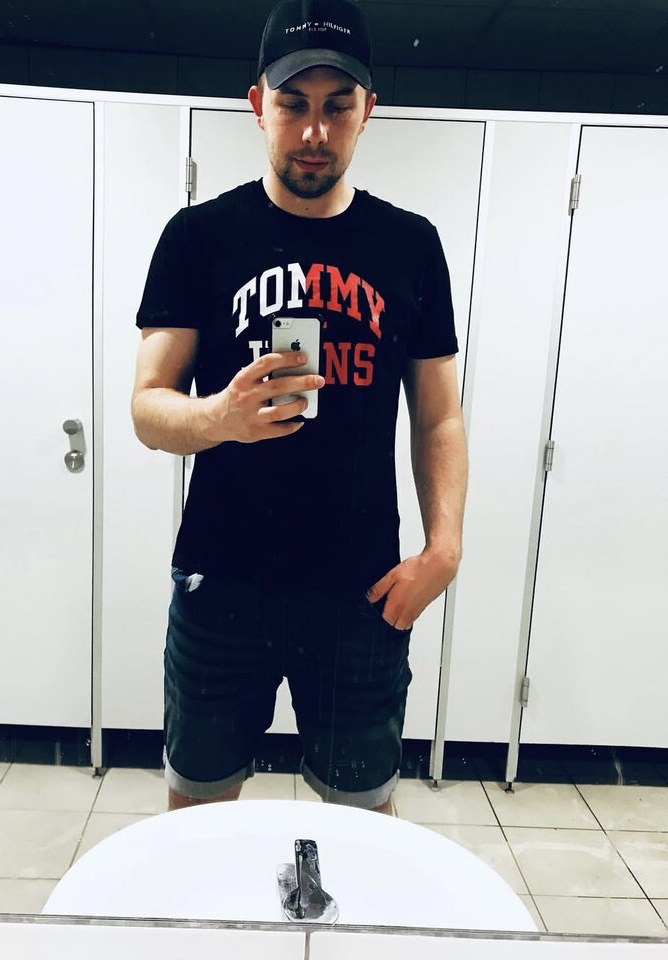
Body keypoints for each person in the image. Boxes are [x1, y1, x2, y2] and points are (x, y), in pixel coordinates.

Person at [131, 0, 468, 816]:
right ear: (258, 105)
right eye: (293, 104)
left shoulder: (409, 244)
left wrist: (444, 550)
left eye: (336, 106)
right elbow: (147, 407)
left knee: (363, 816)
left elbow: (439, 417)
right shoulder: (198, 236)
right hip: (221, 580)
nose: (314, 131)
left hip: (361, 588)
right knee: (198, 813)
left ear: (367, 111)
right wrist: (219, 419)